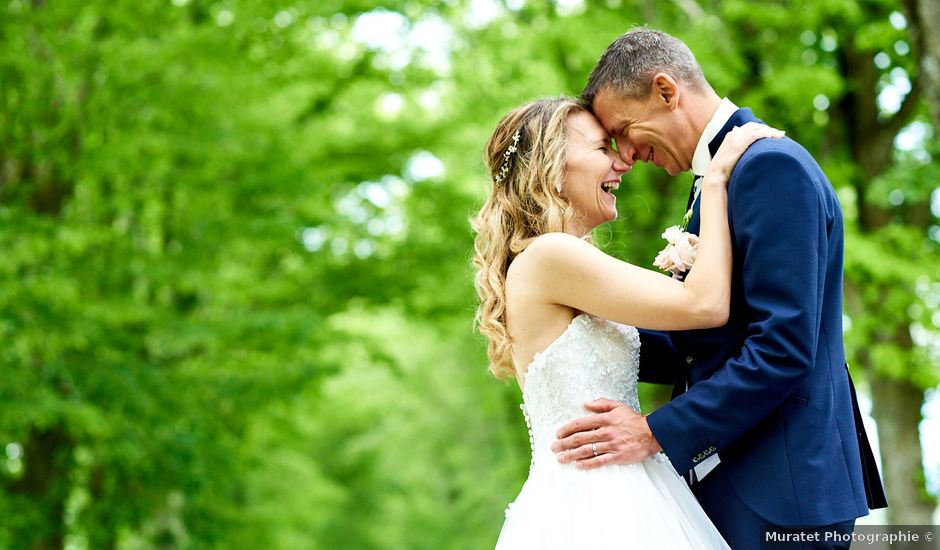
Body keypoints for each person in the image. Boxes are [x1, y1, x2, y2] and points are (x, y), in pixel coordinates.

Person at [552, 28, 888, 549]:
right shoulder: (716, 179)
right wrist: (580, 324)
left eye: (623, 129)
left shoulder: (770, 167)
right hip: (735, 481)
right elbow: (703, 342)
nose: (627, 154)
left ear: (667, 91)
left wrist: (655, 431)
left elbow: (783, 348)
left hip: (782, 492)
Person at [472, 95, 782, 548]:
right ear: (552, 166)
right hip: (599, 503)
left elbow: (686, 335)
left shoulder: (553, 262)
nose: (622, 162)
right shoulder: (550, 256)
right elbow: (705, 305)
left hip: (627, 486)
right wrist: (715, 180)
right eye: (602, 149)